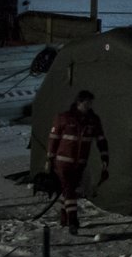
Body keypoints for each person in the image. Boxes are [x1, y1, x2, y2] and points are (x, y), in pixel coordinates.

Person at [45, 90, 109, 235]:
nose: (89, 105)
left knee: (68, 190)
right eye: (87, 102)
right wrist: (49, 159)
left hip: (80, 164)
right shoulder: (64, 118)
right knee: (70, 190)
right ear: (79, 102)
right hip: (63, 162)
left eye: (91, 103)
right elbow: (53, 139)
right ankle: (73, 222)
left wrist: (105, 158)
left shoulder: (93, 120)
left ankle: (64, 218)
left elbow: (101, 140)